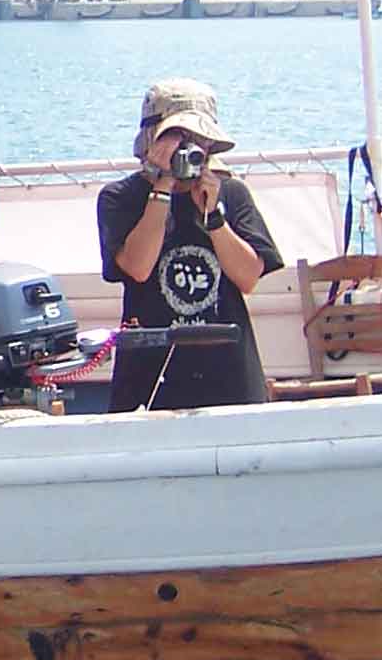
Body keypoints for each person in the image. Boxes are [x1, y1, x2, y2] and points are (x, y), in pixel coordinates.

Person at [96, 79, 281, 412]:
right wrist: (163, 187)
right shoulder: (119, 198)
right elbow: (137, 268)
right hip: (150, 374)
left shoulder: (231, 193)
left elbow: (248, 277)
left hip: (228, 371)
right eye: (178, 138)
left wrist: (214, 218)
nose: (189, 149)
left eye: (198, 140)